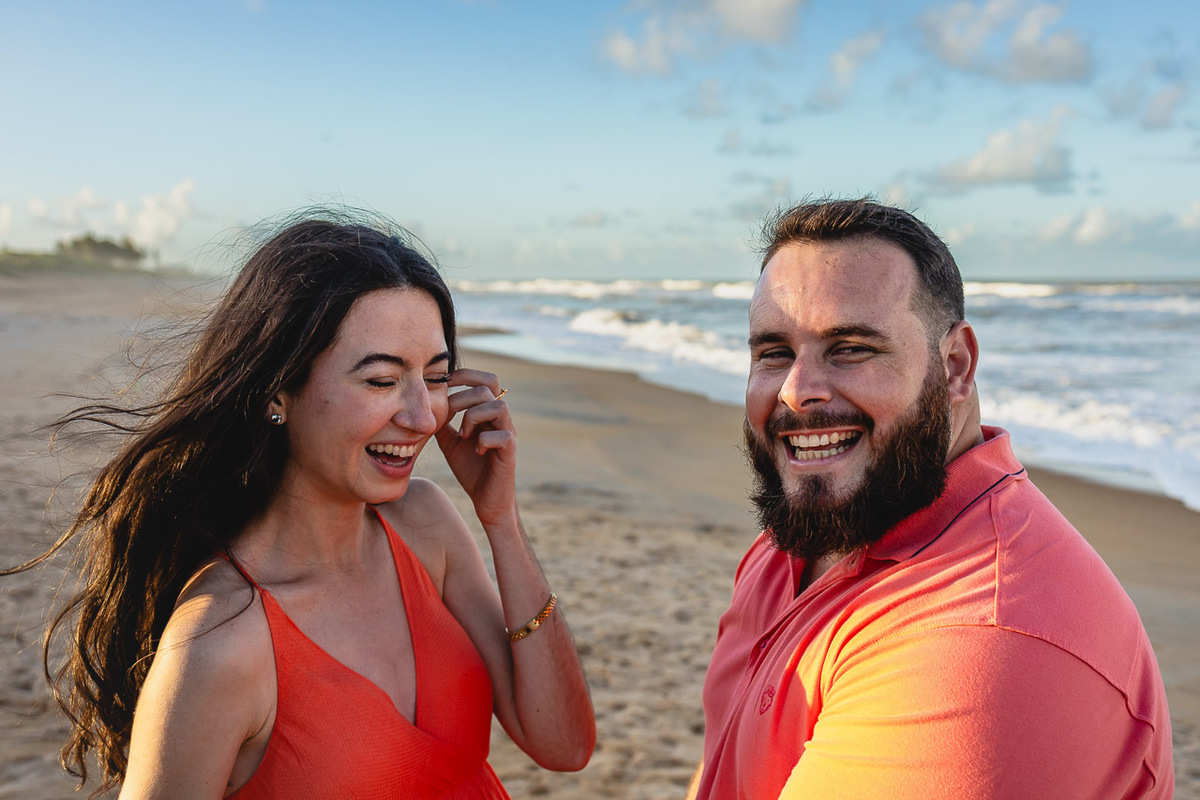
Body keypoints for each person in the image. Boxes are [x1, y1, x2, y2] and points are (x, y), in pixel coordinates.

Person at [12, 212, 595, 798]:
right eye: (380, 381)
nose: (422, 417)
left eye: (436, 378)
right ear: (277, 392)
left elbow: (564, 746)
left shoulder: (425, 524)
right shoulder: (219, 642)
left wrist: (502, 521)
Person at [688, 198, 1173, 799]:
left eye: (851, 348)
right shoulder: (797, 539)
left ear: (956, 367)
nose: (796, 392)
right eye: (774, 353)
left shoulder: (980, 644)